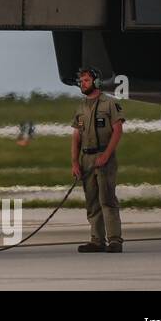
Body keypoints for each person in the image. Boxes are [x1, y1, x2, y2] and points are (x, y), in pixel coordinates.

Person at [71, 66, 125, 253]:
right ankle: (97, 240)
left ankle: (115, 240)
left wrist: (106, 155)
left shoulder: (110, 104)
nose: (82, 83)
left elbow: (118, 131)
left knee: (107, 199)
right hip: (87, 158)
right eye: (81, 80)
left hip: (104, 157)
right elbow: (77, 136)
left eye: (86, 80)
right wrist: (75, 162)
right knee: (92, 200)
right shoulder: (81, 107)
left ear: (96, 82)